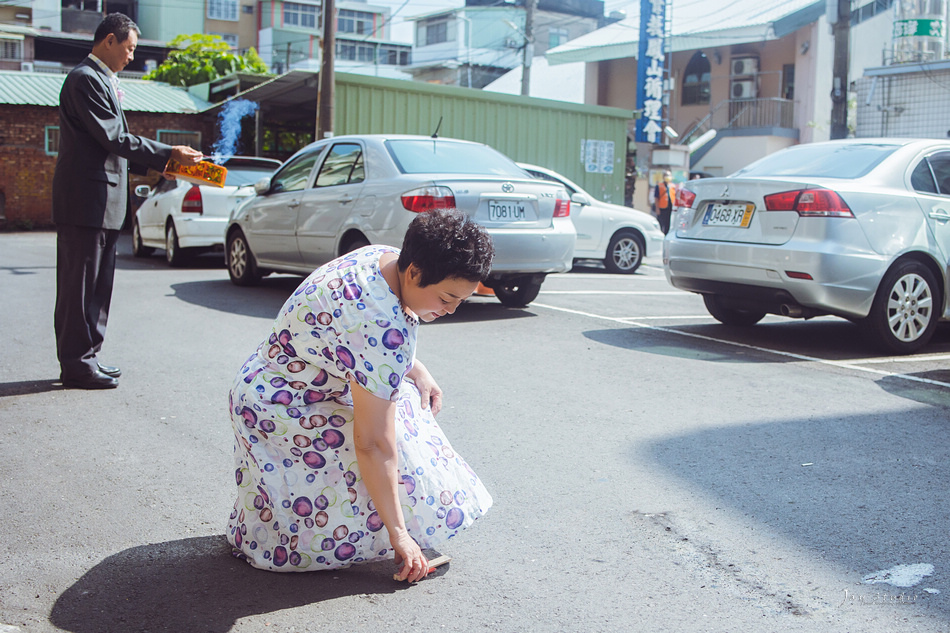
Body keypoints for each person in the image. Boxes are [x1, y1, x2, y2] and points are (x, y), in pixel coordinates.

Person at [227, 209, 495, 582]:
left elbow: (358, 338)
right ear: (415, 271)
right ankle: (388, 534)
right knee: (392, 439)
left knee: (398, 411)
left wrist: (417, 369)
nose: (450, 310)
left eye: (461, 301)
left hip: (262, 384)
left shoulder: (382, 257)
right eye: (448, 297)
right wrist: (398, 534)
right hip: (282, 409)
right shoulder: (380, 325)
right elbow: (372, 443)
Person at [52, 13, 202, 390]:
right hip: (83, 201)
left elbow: (113, 147)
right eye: (130, 48)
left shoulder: (102, 80)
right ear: (109, 41)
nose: (132, 56)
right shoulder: (85, 79)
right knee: (79, 287)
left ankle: (88, 358)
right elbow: (114, 137)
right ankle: (76, 363)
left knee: (98, 287)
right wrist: (168, 150)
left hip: (102, 201)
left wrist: (161, 167)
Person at [651, 169, 676, 234]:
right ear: (663, 177)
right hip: (662, 208)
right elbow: (656, 198)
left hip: (670, 208)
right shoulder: (659, 186)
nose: (667, 177)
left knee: (668, 225)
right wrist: (657, 209)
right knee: (661, 224)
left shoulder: (673, 186)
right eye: (666, 175)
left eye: (669, 175)